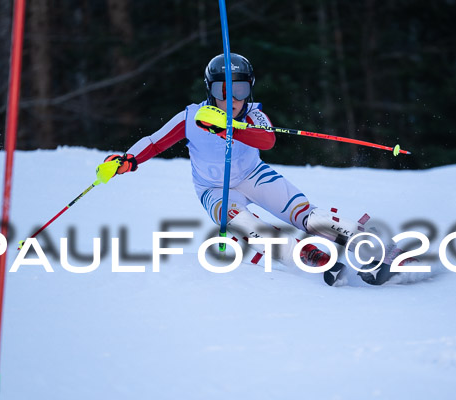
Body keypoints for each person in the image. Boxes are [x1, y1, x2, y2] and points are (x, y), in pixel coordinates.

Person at [102, 53, 400, 286]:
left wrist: (228, 128)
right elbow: (155, 142)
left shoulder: (254, 113)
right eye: (223, 90)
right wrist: (128, 160)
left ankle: (378, 249)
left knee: (308, 215)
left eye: (240, 89)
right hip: (213, 190)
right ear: (210, 90)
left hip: (254, 177)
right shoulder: (192, 117)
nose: (232, 99)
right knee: (246, 225)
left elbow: (267, 139)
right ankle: (307, 256)